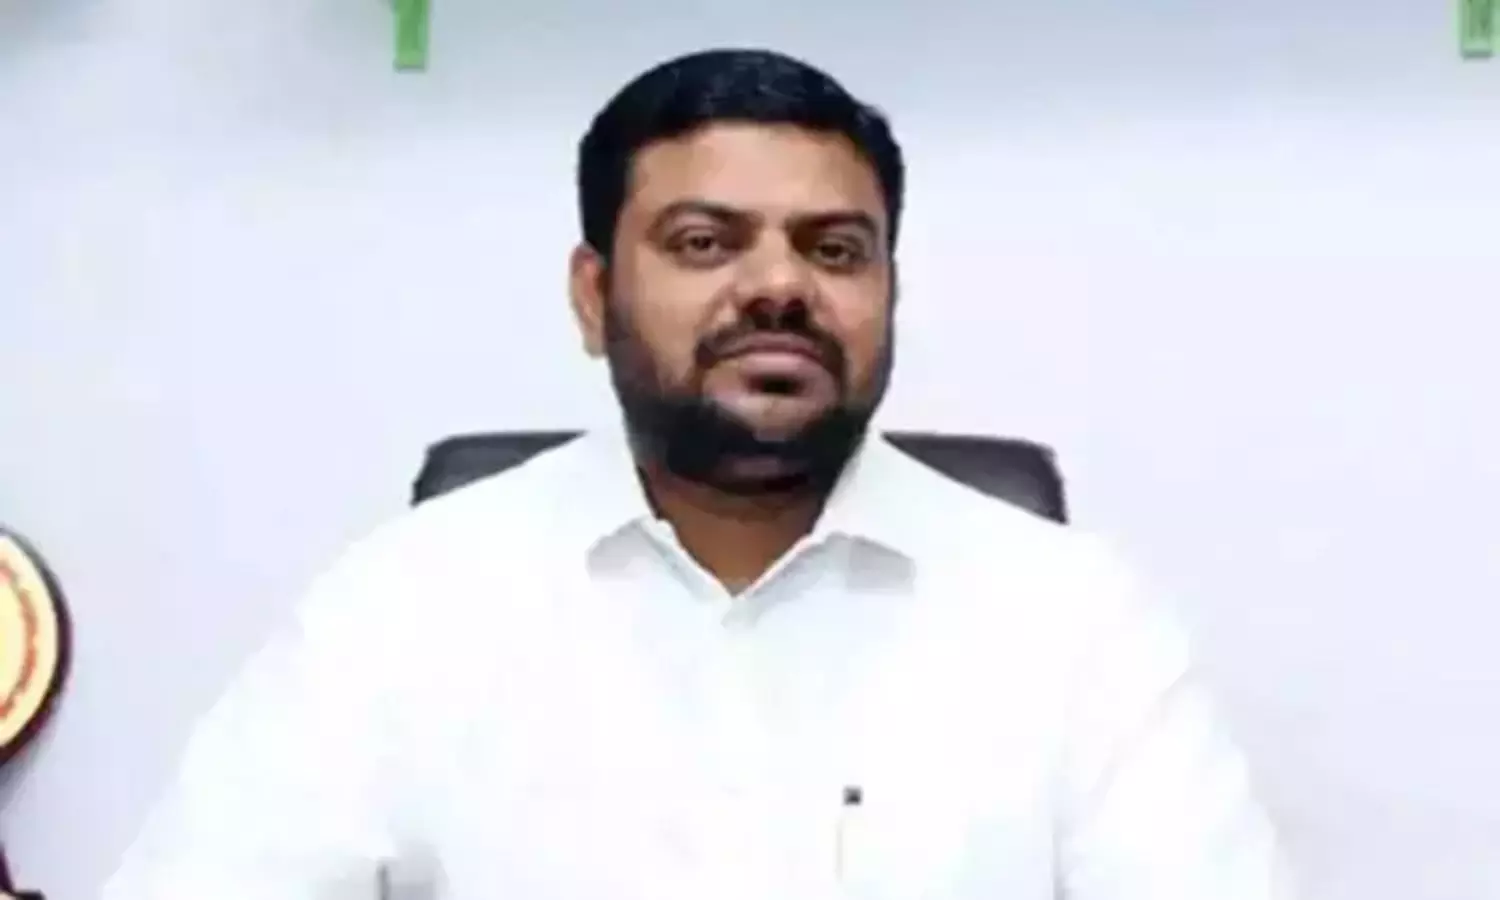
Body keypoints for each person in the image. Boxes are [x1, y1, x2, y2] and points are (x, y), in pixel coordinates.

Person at [105, 48, 1294, 899]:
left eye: (836, 249)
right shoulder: (406, 607)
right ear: (594, 296)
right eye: (704, 242)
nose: (779, 287)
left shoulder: (1071, 621)